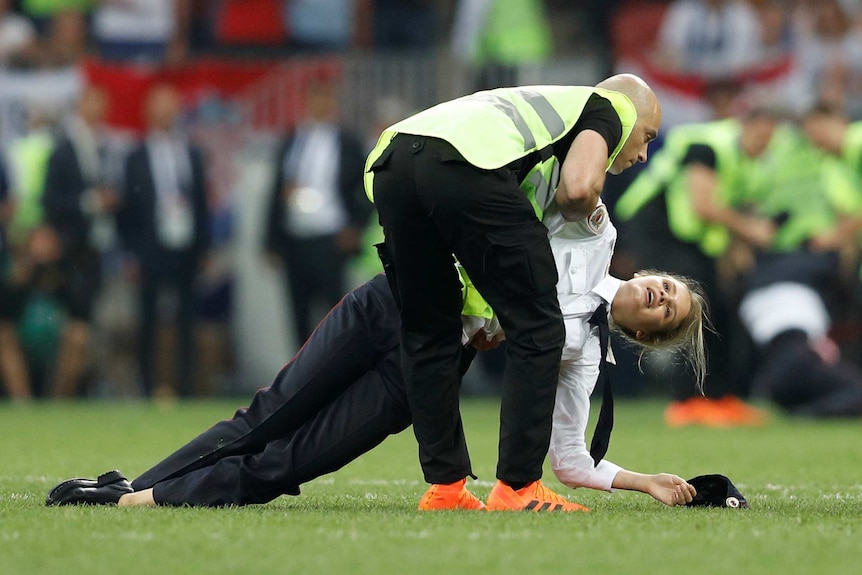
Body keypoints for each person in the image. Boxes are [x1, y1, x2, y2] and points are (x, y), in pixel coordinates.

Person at [45, 209, 706, 508]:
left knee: (295, 460)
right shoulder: (594, 227)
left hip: (428, 365)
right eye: (669, 289)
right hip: (398, 300)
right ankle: (127, 487)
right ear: (653, 271)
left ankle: (140, 501)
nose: (660, 298)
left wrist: (644, 479)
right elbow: (557, 185)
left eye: (665, 315)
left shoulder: (585, 354)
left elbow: (571, 459)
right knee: (268, 416)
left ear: (645, 337)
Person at [367, 74, 663, 510]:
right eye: (647, 136)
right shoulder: (609, 106)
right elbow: (578, 190)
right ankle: (519, 487)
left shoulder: (542, 107)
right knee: (540, 326)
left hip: (393, 161)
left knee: (429, 331)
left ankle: (446, 489)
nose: (642, 153)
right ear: (629, 111)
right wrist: (584, 209)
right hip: (463, 166)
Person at [615, 107, 778, 427]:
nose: (764, 143)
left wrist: (735, 247)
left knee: (720, 304)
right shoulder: (709, 146)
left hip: (689, 239)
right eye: (762, 134)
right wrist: (750, 230)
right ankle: (687, 400)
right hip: (654, 225)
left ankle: (719, 396)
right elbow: (702, 205)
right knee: (691, 306)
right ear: (746, 124)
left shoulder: (747, 163)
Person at [117, 83, 211, 398]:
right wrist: (129, 252)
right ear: (148, 112)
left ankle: (184, 388)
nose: (165, 112)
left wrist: (204, 247)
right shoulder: (135, 156)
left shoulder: (192, 152)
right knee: (147, 319)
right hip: (150, 246)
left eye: (171, 105)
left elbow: (201, 203)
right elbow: (127, 208)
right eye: (159, 105)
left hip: (185, 244)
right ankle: (147, 387)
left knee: (187, 318)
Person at [265, 74, 371, 348]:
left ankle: (333, 378)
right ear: (307, 101)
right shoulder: (292, 140)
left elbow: (368, 188)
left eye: (326, 97)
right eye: (315, 97)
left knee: (333, 316)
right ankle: (300, 383)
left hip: (330, 239)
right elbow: (276, 190)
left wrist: (356, 227)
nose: (320, 103)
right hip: (295, 238)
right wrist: (271, 239)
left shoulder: (348, 141)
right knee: (298, 313)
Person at [41, 85, 121, 398]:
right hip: (71, 249)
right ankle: (61, 394)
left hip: (96, 248)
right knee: (77, 327)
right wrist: (89, 203)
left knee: (82, 328)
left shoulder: (105, 147)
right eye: (93, 102)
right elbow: (50, 200)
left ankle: (66, 394)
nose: (98, 110)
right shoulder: (63, 148)